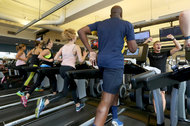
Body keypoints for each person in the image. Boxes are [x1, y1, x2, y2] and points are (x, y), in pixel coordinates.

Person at [78, 5, 137, 126]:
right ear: (121, 14)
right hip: (114, 63)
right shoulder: (127, 24)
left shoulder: (100, 23)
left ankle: (115, 118)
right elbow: (132, 49)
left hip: (102, 62)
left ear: (110, 15)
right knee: (105, 100)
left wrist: (91, 51)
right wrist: (127, 36)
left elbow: (81, 31)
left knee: (113, 89)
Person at [35, 29, 88, 118]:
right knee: (64, 93)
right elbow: (81, 60)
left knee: (73, 86)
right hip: (69, 70)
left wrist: (65, 59)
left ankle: (78, 105)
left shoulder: (63, 47)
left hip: (62, 69)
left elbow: (55, 58)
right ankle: (45, 102)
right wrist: (85, 54)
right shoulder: (76, 46)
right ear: (74, 37)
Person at [144, 34, 182, 112]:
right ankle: (157, 113)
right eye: (157, 44)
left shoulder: (165, 54)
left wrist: (173, 38)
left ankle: (161, 113)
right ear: (154, 47)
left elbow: (179, 47)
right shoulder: (151, 54)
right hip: (154, 77)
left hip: (162, 77)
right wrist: (147, 41)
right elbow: (142, 48)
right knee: (155, 95)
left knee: (162, 94)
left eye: (160, 44)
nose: (159, 46)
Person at [21, 39, 57, 107]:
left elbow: (43, 58)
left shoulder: (47, 50)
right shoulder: (47, 50)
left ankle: (26, 96)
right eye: (52, 42)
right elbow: (39, 56)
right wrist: (49, 60)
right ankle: (54, 96)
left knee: (37, 82)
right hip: (46, 68)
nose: (52, 43)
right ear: (49, 43)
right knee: (54, 80)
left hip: (43, 68)